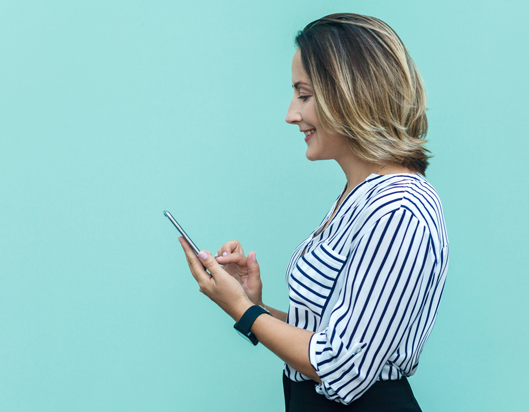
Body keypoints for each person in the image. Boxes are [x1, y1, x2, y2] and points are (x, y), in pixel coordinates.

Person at [178, 13, 449, 411]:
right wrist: (250, 303)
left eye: (304, 95)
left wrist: (245, 310)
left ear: (351, 93)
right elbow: (333, 337)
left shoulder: (399, 209)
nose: (291, 114)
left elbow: (341, 364)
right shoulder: (358, 199)